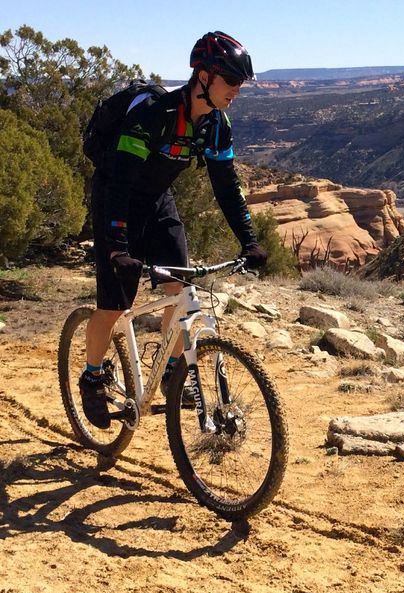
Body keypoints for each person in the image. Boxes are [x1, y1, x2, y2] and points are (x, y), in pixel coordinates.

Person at [79, 31, 267, 429]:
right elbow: (119, 184)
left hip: (157, 199)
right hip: (117, 197)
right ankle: (92, 377)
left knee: (179, 291)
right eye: (231, 81)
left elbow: (227, 187)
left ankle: (171, 373)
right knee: (114, 305)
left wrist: (249, 240)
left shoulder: (216, 125)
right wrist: (116, 248)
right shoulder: (154, 115)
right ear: (204, 76)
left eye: (240, 84)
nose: (237, 90)